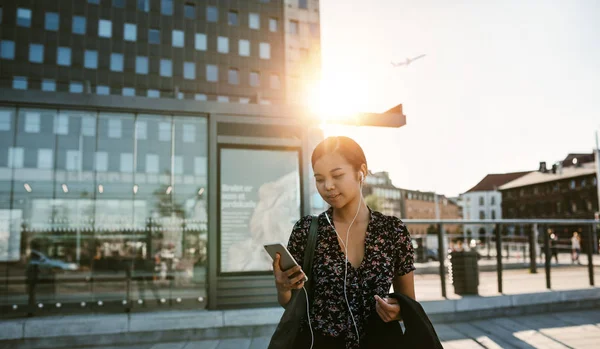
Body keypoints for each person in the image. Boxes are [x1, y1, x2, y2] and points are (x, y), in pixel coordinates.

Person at [271, 136, 416, 349]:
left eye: (337, 175)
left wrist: (399, 311)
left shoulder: (393, 230)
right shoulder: (306, 230)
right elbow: (290, 304)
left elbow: (409, 302)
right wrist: (282, 287)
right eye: (319, 179)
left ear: (362, 172)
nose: (328, 186)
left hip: (383, 342)